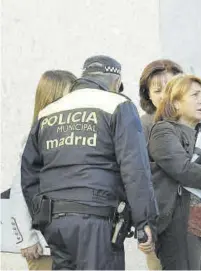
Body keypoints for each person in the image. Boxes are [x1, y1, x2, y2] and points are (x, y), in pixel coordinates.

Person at [21, 55, 158, 270]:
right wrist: (145, 221)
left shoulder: (48, 112)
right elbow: (135, 169)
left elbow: (29, 172)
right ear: (116, 81)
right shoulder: (118, 104)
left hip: (55, 223)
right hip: (97, 220)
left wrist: (43, 216)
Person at [148, 74, 201, 270]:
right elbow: (182, 169)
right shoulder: (163, 131)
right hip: (179, 222)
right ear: (176, 103)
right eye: (195, 95)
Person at [9, 70, 76, 270]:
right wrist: (26, 238)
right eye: (70, 94)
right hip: (44, 246)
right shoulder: (35, 137)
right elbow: (21, 188)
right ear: (53, 98)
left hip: (74, 240)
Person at [138, 59, 183, 270]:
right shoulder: (142, 126)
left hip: (197, 223)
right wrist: (144, 225)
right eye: (158, 91)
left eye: (172, 88)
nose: (166, 96)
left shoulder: (197, 121)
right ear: (148, 95)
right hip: (160, 223)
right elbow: (136, 178)